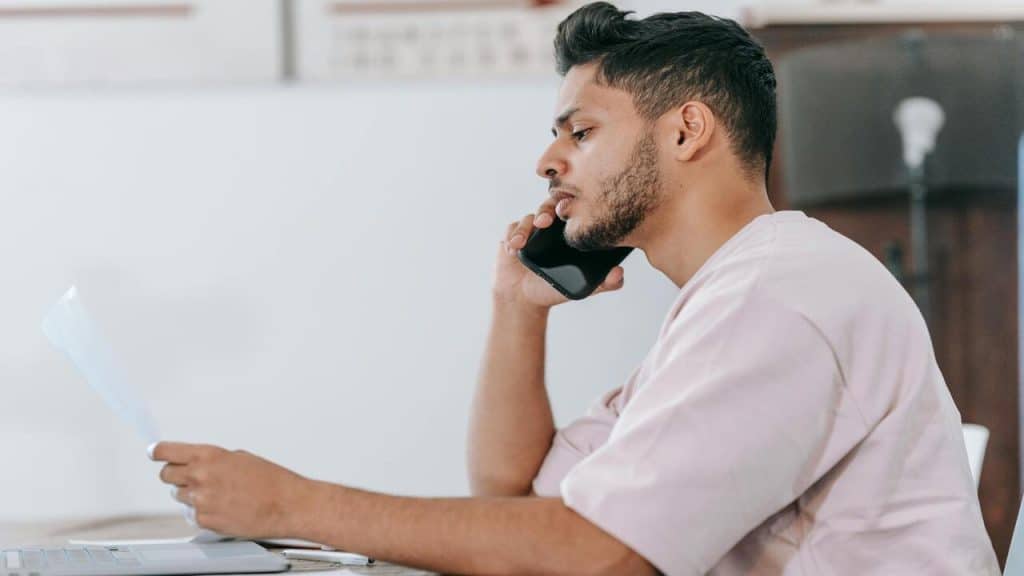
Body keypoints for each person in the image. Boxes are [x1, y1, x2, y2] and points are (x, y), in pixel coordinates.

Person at [150, 2, 1000, 574]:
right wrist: (516, 310)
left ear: (687, 129)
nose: (547, 163)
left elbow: (605, 555)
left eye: (581, 131)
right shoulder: (723, 304)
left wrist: (297, 505)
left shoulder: (781, 299)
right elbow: (515, 495)